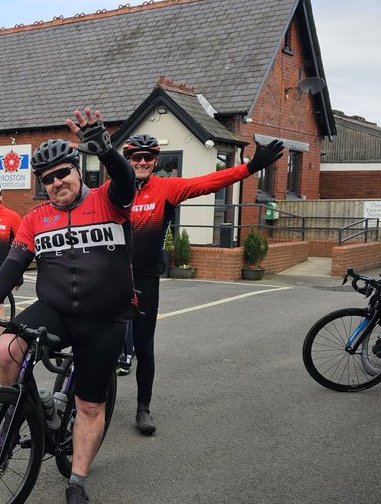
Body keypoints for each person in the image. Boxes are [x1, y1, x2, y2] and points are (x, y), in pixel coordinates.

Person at [0, 108, 135, 504]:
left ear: (78, 170)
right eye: (47, 179)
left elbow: (127, 183)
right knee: (6, 350)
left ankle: (76, 481)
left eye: (63, 173)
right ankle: (26, 408)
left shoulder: (108, 200)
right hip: (56, 309)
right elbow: (12, 266)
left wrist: (107, 152)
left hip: (105, 318)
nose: (57, 182)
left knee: (89, 406)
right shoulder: (35, 218)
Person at [113, 133, 284, 434]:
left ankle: (143, 408)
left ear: (155, 161)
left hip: (145, 278)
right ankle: (92, 402)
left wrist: (250, 168)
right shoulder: (112, 190)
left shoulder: (167, 188)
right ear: (126, 160)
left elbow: (209, 182)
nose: (141, 162)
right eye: (135, 157)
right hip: (111, 276)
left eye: (147, 157)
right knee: (100, 341)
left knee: (144, 345)